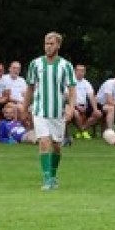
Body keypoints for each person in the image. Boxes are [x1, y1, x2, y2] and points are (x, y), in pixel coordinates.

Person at [22, 32, 76, 191]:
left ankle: (53, 175)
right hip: (40, 110)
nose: (48, 46)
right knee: (44, 141)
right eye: (46, 43)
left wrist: (71, 107)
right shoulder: (35, 64)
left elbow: (72, 90)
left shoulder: (66, 65)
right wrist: (24, 108)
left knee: (57, 146)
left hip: (57, 112)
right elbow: (30, 88)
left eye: (52, 43)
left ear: (58, 45)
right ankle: (46, 178)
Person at [71, 64, 102, 139]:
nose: (80, 72)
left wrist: (95, 109)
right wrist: (77, 106)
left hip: (84, 106)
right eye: (78, 70)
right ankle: (83, 131)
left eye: (82, 71)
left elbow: (91, 96)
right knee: (75, 113)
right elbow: (68, 96)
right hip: (72, 105)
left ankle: (81, 131)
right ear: (75, 71)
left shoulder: (86, 83)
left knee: (98, 114)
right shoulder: (70, 81)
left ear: (84, 72)